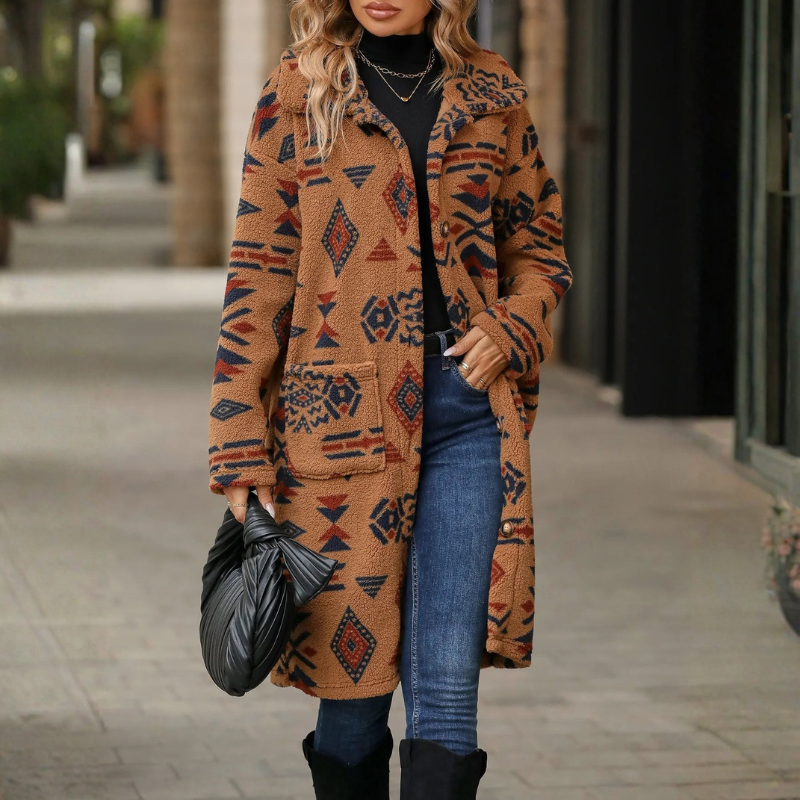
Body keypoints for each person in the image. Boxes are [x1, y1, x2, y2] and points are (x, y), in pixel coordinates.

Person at [207, 0, 573, 796]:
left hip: (467, 414)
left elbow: (540, 250)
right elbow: (256, 280)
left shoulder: (492, 93)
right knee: (355, 696)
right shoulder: (298, 91)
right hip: (341, 422)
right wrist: (238, 443)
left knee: (445, 686)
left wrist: (512, 325)